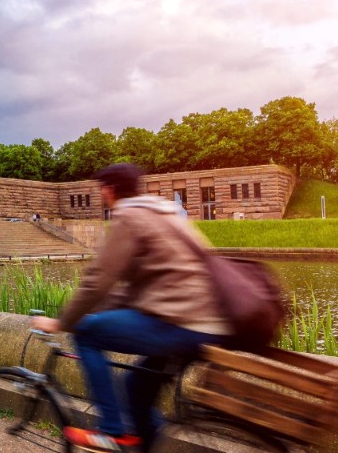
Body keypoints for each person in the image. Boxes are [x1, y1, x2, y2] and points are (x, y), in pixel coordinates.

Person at [31, 163, 230, 452]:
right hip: (210, 323)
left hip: (181, 323)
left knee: (86, 334)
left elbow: (98, 281)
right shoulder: (163, 211)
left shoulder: (128, 215)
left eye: (100, 189)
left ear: (109, 189)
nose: (100, 194)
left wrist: (61, 322)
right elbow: (132, 288)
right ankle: (145, 441)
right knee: (135, 388)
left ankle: (111, 430)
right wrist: (103, 311)